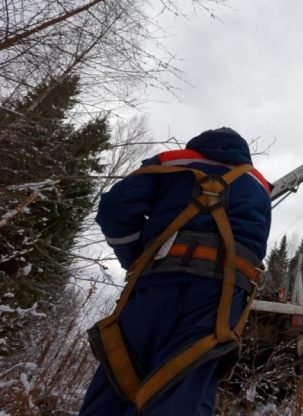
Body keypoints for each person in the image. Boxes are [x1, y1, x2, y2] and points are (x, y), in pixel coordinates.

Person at [79, 127, 272, 416]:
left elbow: (115, 208)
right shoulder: (258, 186)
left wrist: (135, 258)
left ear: (197, 145)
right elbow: (256, 244)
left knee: (120, 379)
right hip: (218, 297)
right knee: (185, 384)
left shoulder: (171, 162)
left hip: (157, 284)